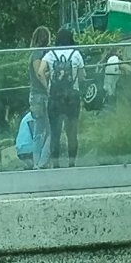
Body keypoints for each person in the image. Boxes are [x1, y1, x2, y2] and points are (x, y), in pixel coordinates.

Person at [35, 25, 86, 169]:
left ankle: (56, 164)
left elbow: (40, 72)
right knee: (72, 132)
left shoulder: (50, 54)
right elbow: (82, 76)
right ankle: (71, 163)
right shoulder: (76, 54)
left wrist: (48, 87)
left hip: (55, 98)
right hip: (72, 98)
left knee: (55, 132)